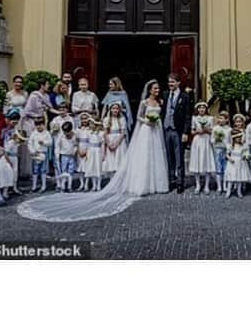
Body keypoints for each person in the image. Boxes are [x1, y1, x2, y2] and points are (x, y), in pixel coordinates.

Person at [16, 79, 170, 222]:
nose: (157, 90)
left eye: (158, 88)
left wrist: (155, 121)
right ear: (149, 90)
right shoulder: (144, 102)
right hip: (146, 130)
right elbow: (139, 117)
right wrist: (147, 121)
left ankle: (157, 183)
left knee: (156, 156)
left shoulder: (160, 101)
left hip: (156, 131)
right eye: (155, 88)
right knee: (144, 156)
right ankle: (143, 183)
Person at [161, 73, 192, 194]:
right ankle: (171, 181)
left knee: (179, 158)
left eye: (173, 82)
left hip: (178, 131)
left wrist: (186, 132)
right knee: (169, 158)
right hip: (166, 129)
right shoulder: (165, 94)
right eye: (169, 82)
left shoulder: (185, 96)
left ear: (178, 83)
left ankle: (180, 182)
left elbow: (187, 116)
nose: (170, 84)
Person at [189, 101, 216, 194]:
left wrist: (206, 130)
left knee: (206, 161)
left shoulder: (210, 118)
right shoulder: (194, 118)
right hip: (197, 140)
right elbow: (192, 131)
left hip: (206, 140)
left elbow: (213, 131)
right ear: (197, 109)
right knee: (197, 161)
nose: (201, 110)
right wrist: (197, 131)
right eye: (200, 108)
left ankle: (207, 185)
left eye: (203, 108)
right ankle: (198, 185)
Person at [224, 127, 251, 199]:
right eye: (237, 138)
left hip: (240, 163)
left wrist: (245, 156)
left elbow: (245, 153)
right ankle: (228, 191)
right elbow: (227, 154)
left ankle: (239, 191)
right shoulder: (231, 146)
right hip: (233, 163)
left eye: (240, 137)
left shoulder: (242, 146)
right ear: (233, 138)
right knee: (231, 178)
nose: (239, 139)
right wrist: (230, 159)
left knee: (239, 178)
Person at [27, 117, 53, 193]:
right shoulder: (33, 133)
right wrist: (32, 151)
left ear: (44, 125)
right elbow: (30, 143)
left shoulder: (46, 133)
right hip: (36, 153)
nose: (39, 127)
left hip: (43, 153)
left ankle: (43, 186)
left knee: (43, 170)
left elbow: (50, 143)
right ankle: (34, 186)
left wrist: (44, 143)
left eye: (41, 125)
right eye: (37, 125)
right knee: (35, 170)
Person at [102, 102, 128, 175]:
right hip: (110, 140)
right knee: (111, 161)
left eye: (117, 108)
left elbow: (123, 133)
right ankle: (111, 179)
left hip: (119, 141)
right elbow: (105, 133)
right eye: (113, 108)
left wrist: (116, 144)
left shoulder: (122, 119)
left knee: (119, 160)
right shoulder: (106, 119)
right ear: (110, 109)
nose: (115, 110)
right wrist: (109, 144)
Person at [211, 111, 232, 194]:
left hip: (225, 150)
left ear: (226, 120)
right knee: (218, 168)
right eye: (219, 118)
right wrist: (216, 139)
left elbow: (230, 141)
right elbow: (211, 140)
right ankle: (219, 186)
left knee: (226, 168)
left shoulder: (229, 129)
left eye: (223, 118)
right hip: (217, 149)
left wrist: (229, 149)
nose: (221, 120)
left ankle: (225, 185)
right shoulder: (215, 128)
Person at [3, 127, 26, 197]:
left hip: (14, 159)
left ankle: (14, 188)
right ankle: (5, 191)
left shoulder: (16, 143)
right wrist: (9, 162)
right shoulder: (10, 143)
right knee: (9, 175)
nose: (19, 141)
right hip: (9, 159)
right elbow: (6, 153)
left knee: (15, 174)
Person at [84, 119, 105, 192]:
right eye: (90, 124)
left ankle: (99, 185)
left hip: (98, 151)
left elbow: (102, 144)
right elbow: (87, 144)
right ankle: (94, 185)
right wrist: (87, 153)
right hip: (91, 151)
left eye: (93, 124)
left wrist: (103, 154)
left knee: (98, 167)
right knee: (92, 167)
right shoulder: (89, 133)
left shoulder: (101, 133)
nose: (91, 125)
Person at [75, 112, 92, 191]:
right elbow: (76, 141)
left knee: (87, 167)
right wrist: (78, 150)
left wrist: (86, 151)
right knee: (80, 167)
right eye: (82, 119)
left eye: (86, 118)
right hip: (80, 148)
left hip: (88, 148)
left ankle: (86, 184)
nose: (84, 120)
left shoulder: (91, 129)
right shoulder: (78, 130)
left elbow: (91, 141)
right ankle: (81, 183)